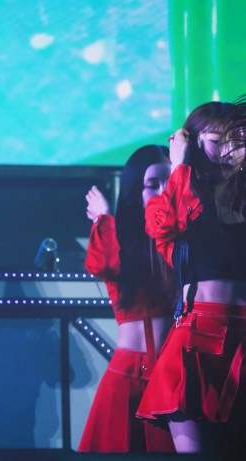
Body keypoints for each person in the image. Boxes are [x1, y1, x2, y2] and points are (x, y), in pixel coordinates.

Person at [136, 100, 246, 458]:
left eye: (238, 141)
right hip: (198, 340)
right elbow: (164, 224)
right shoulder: (175, 200)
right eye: (218, 141)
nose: (230, 151)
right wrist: (179, 165)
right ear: (192, 142)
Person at [77, 145, 177, 452]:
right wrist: (103, 218)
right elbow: (103, 265)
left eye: (169, 182)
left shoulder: (181, 239)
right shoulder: (119, 236)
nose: (163, 191)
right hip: (127, 377)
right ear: (136, 190)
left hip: (171, 375)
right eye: (152, 184)